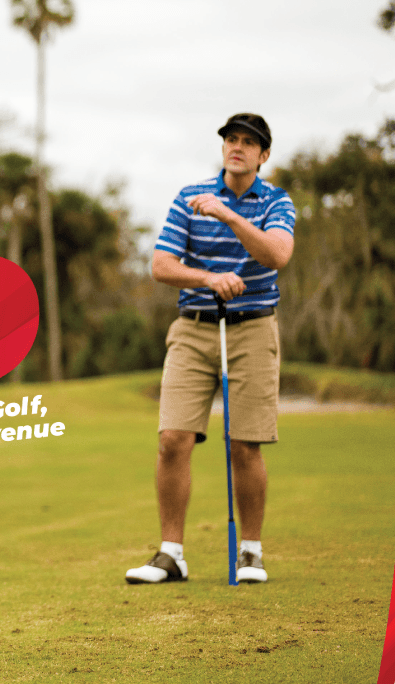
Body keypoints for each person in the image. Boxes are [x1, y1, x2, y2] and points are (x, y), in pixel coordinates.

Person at [126, 113, 295, 585]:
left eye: (248, 143)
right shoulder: (189, 197)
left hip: (254, 328)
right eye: (231, 140)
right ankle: (171, 554)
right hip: (194, 327)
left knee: (244, 444)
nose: (236, 148)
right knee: (172, 439)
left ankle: (251, 553)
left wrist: (229, 215)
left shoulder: (277, 202)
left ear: (263, 156)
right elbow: (161, 264)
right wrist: (207, 278)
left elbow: (276, 255)